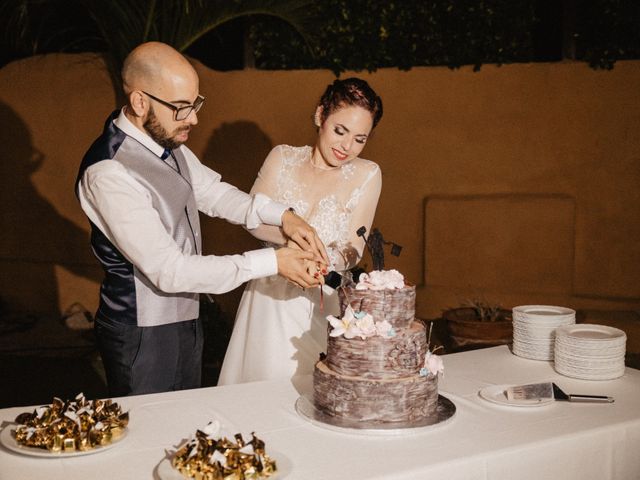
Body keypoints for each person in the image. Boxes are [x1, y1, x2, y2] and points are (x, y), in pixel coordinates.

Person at [75, 42, 328, 397]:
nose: (193, 118)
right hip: (140, 333)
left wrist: (283, 216)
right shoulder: (109, 172)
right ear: (139, 102)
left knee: (183, 422)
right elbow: (170, 270)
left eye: (195, 103)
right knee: (147, 437)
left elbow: (214, 193)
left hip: (186, 318)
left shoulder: (166, 141)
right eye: (181, 108)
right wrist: (272, 261)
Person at [218, 78, 383, 386]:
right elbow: (253, 220)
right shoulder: (282, 157)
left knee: (320, 393)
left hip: (322, 299)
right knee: (265, 389)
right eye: (340, 131)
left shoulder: (367, 173)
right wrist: (296, 243)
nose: (347, 147)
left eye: (360, 139)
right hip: (269, 295)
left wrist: (322, 262)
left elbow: (353, 248)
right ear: (321, 116)